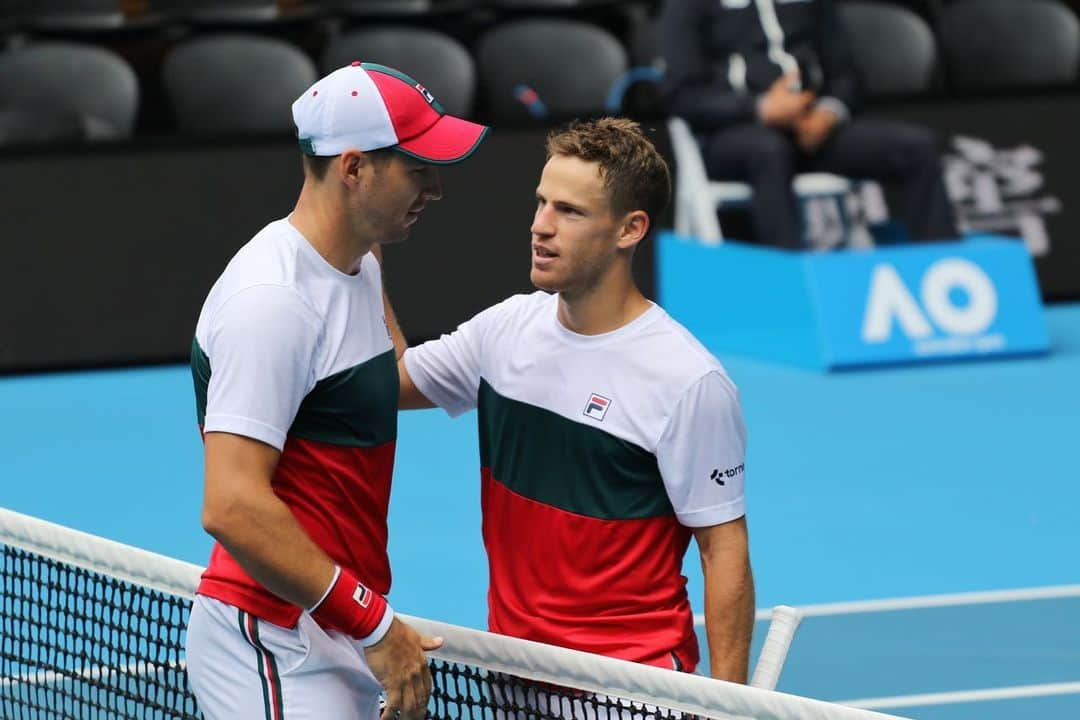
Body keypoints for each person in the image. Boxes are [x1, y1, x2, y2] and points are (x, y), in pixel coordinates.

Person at [397, 118, 754, 682]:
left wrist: (730, 705)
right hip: (514, 674)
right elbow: (388, 384)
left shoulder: (688, 381)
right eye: (541, 203)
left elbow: (723, 550)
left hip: (630, 687)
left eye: (570, 211)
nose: (540, 227)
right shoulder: (503, 331)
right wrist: (360, 250)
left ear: (629, 229)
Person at [184, 62, 488, 720]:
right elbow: (231, 505)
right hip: (273, 641)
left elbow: (381, 379)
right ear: (353, 168)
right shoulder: (272, 301)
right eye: (417, 168)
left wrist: (519, 356)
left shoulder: (360, 262)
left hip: (333, 622)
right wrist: (375, 625)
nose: (435, 188)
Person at [659, 0, 958, 249]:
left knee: (916, 147)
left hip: (812, 129)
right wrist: (759, 108)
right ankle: (790, 287)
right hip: (733, 136)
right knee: (769, 150)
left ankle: (941, 274)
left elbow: (845, 74)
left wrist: (829, 112)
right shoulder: (688, 5)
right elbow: (682, 96)